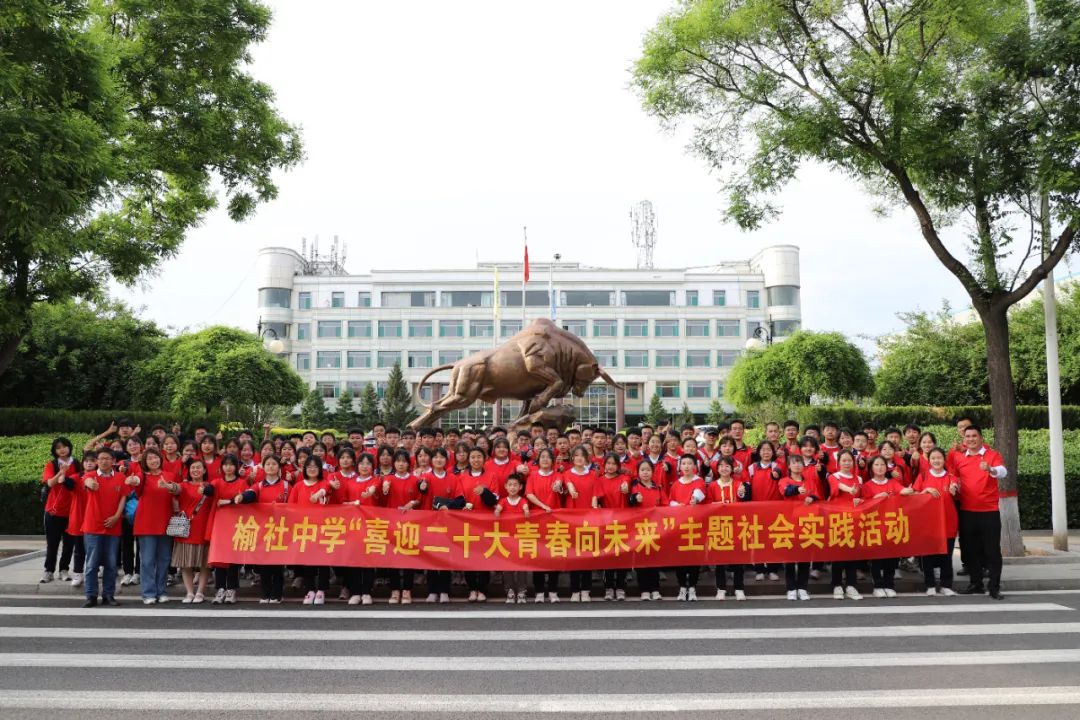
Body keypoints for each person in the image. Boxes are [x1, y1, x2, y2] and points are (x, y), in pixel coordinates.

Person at [954, 425, 1007, 599]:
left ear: (981, 437)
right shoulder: (960, 458)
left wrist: (990, 469)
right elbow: (953, 477)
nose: (970, 439)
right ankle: (976, 584)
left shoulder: (992, 455)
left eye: (974, 436)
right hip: (967, 511)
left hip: (989, 512)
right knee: (970, 551)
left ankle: (994, 587)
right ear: (964, 439)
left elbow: (1003, 472)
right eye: (967, 436)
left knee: (992, 551)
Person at [239, 454, 290, 604]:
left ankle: (277, 594)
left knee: (278, 564)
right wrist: (242, 497)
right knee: (264, 563)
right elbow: (251, 494)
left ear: (278, 467)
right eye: (268, 464)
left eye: (274, 464)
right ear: (264, 467)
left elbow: (294, 506)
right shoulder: (259, 485)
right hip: (264, 529)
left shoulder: (286, 486)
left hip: (281, 529)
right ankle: (265, 593)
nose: (271, 467)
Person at [133, 448, 181, 604]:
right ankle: (148, 593)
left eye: (155, 457)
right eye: (149, 459)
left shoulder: (169, 476)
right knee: (147, 560)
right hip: (146, 524)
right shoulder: (143, 477)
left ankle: (162, 591)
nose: (153, 461)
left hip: (166, 523)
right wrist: (132, 480)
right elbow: (136, 483)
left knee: (164, 559)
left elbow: (177, 491)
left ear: (160, 459)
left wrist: (169, 486)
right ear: (145, 463)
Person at [81, 449, 127, 607]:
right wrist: (91, 484)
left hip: (113, 527)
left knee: (111, 563)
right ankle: (91, 595)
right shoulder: (90, 476)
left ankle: (108, 595)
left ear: (113, 460)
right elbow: (87, 483)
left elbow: (123, 498)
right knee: (92, 564)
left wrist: (116, 517)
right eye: (100, 459)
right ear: (96, 461)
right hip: (93, 526)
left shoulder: (121, 477)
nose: (104, 461)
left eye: (107, 458)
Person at [912, 447, 959, 596]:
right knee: (927, 555)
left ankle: (946, 585)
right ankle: (930, 584)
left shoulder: (951, 477)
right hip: (927, 523)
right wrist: (924, 492)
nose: (936, 461)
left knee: (946, 554)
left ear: (944, 460)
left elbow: (957, 492)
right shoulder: (923, 476)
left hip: (948, 521)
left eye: (939, 458)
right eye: (933, 458)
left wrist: (954, 490)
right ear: (929, 460)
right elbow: (914, 496)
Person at [290, 456, 335, 605]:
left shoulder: (324, 483)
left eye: (315, 466)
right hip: (304, 528)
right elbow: (290, 507)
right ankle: (310, 589)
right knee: (307, 560)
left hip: (322, 527)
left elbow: (326, 488)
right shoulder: (298, 486)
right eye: (309, 466)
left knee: (322, 560)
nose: (312, 469)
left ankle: (321, 590)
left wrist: (318, 494)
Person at [861, 456, 907, 598]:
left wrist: (913, 491)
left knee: (891, 558)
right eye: (876, 464)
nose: (880, 467)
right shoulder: (867, 485)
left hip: (891, 524)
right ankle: (878, 585)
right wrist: (876, 499)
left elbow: (903, 491)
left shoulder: (893, 482)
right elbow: (864, 505)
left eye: (882, 464)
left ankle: (889, 584)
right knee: (877, 558)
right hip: (875, 525)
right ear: (871, 468)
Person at [172, 458, 214, 603]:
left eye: (198, 467)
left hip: (204, 529)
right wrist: (167, 485)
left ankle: (200, 592)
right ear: (189, 471)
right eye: (192, 468)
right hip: (186, 529)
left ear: (204, 470)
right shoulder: (183, 485)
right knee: (186, 563)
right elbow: (175, 489)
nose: (195, 470)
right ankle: (189, 592)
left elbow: (215, 495)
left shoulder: (210, 486)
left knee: (204, 563)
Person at [524, 448, 563, 602]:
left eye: (548, 457)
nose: (545, 460)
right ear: (538, 460)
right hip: (537, 519)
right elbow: (529, 494)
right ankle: (539, 590)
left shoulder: (558, 475)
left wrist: (558, 486)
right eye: (542, 457)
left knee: (554, 554)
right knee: (538, 555)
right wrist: (543, 506)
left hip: (554, 520)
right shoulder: (532, 475)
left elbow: (560, 486)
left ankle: (553, 590)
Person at [708, 457, 750, 601]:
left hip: (736, 525)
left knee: (738, 558)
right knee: (720, 559)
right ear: (717, 469)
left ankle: (739, 588)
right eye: (721, 466)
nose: (724, 468)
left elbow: (744, 501)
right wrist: (718, 504)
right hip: (719, 525)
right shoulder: (713, 485)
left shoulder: (738, 483)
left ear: (732, 469)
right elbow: (707, 505)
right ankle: (721, 588)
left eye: (727, 466)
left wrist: (742, 494)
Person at [40, 437, 80, 584]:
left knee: (69, 544)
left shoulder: (76, 463)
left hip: (72, 511)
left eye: (64, 446)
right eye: (58, 448)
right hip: (53, 511)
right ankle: (48, 571)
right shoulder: (51, 465)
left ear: (69, 447)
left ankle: (64, 569)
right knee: (52, 543)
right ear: (55, 451)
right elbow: (49, 483)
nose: (62, 450)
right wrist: (60, 472)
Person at [668, 454, 707, 601]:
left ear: (695, 467)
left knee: (694, 557)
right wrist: (677, 506)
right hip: (680, 525)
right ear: (680, 467)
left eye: (689, 463)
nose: (686, 466)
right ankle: (682, 587)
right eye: (683, 463)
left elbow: (699, 493)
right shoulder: (676, 484)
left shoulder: (699, 481)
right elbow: (670, 501)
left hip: (695, 525)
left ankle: (692, 587)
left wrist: (694, 499)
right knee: (681, 558)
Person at [208, 454, 246, 604]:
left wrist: (229, 501)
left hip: (236, 524)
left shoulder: (242, 483)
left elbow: (245, 501)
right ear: (221, 467)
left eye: (231, 464)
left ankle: (232, 589)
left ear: (236, 467)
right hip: (220, 524)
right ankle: (220, 588)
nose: (228, 467)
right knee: (219, 558)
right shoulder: (216, 482)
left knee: (233, 558)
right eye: (225, 465)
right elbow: (209, 491)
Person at [593, 453, 631, 600]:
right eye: (608, 463)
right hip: (606, 523)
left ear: (618, 465)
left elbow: (627, 489)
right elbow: (596, 499)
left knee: (622, 556)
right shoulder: (600, 480)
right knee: (608, 556)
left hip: (623, 522)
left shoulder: (624, 479)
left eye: (613, 463)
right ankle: (609, 587)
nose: (610, 466)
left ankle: (621, 587)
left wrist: (626, 489)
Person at [628, 459, 665, 600]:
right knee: (641, 560)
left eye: (648, 470)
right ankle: (644, 589)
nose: (645, 472)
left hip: (656, 528)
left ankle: (655, 588)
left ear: (652, 472)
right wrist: (634, 498)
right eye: (642, 470)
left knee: (654, 559)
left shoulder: (658, 488)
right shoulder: (635, 487)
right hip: (639, 529)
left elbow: (665, 505)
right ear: (638, 472)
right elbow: (629, 502)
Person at [564, 445, 597, 602]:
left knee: (587, 555)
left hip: (588, 518)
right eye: (576, 455)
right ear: (572, 458)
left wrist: (594, 508)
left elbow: (595, 495)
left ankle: (586, 589)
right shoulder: (567, 474)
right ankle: (575, 589)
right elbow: (569, 485)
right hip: (572, 519)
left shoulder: (592, 475)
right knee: (574, 555)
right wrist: (571, 490)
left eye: (582, 455)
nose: (579, 458)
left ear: (586, 458)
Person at [494, 473, 530, 604]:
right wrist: (497, 511)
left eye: (515, 485)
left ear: (520, 487)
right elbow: (498, 510)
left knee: (522, 565)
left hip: (520, 538)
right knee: (507, 566)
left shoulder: (523, 500)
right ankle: (509, 590)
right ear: (506, 487)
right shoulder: (503, 500)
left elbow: (526, 509)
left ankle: (521, 591)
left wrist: (526, 511)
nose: (513, 487)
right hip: (506, 538)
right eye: (510, 485)